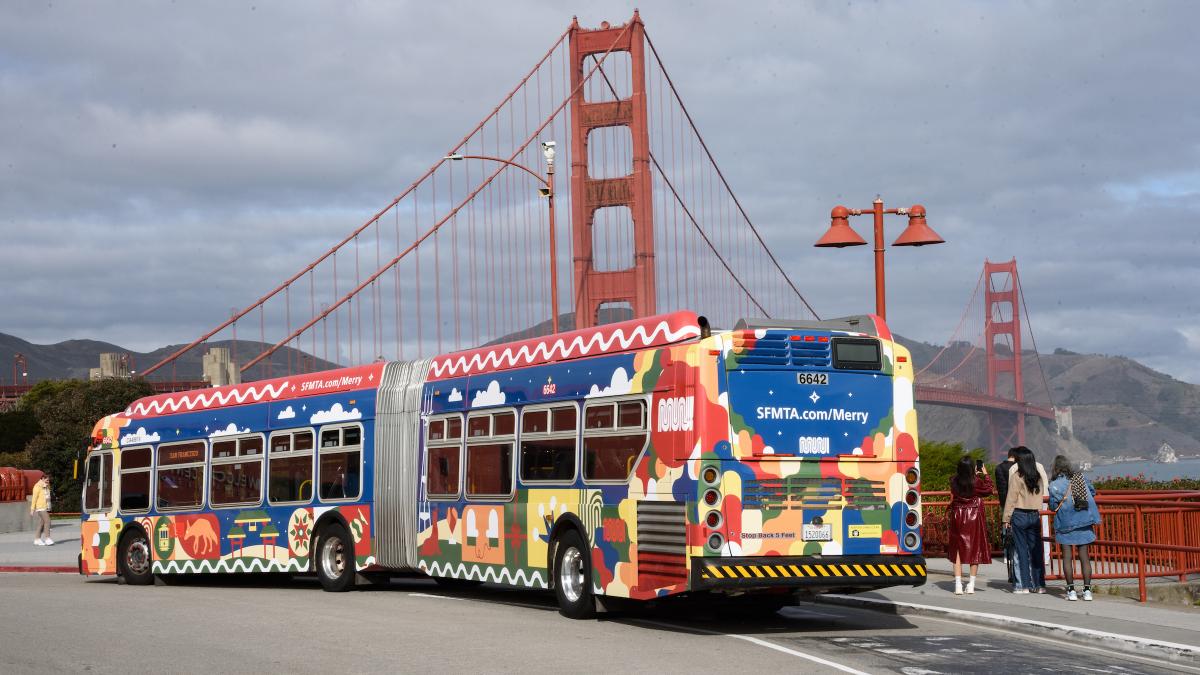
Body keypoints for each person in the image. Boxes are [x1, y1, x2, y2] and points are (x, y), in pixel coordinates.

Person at [1049, 455, 1101, 601]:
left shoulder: (1054, 484)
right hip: (1083, 521)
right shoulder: (1079, 478)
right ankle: (1087, 591)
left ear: (1056, 468)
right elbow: (1092, 492)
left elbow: (1053, 506)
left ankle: (1071, 590)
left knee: (1067, 557)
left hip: (1065, 523)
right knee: (1084, 557)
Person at [1002, 446, 1048, 594]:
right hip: (1034, 515)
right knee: (1036, 550)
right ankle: (1039, 584)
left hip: (1019, 515)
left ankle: (1023, 586)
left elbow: (1011, 498)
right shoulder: (1037, 476)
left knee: (1021, 551)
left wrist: (1006, 518)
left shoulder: (1017, 476)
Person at [948, 456, 995, 595]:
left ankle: (958, 584)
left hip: (958, 516)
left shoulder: (953, 481)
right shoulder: (976, 481)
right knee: (974, 549)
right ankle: (971, 584)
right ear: (972, 468)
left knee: (957, 549)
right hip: (973, 517)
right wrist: (985, 474)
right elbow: (989, 490)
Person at [994, 448, 1019, 584]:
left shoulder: (998, 468)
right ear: (1016, 457)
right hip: (1017, 502)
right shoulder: (1018, 468)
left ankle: (1006, 554)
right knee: (1016, 529)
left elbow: (1000, 488)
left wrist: (1004, 503)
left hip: (1004, 502)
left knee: (1006, 528)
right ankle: (1015, 553)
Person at [30, 475, 53, 546]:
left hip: (45, 507)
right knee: (48, 521)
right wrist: (32, 509)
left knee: (41, 523)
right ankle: (47, 538)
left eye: (49, 480)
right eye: (47, 480)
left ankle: (37, 539)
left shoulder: (46, 486)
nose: (48, 481)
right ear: (42, 479)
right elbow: (34, 498)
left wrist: (47, 485)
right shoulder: (37, 486)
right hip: (40, 507)